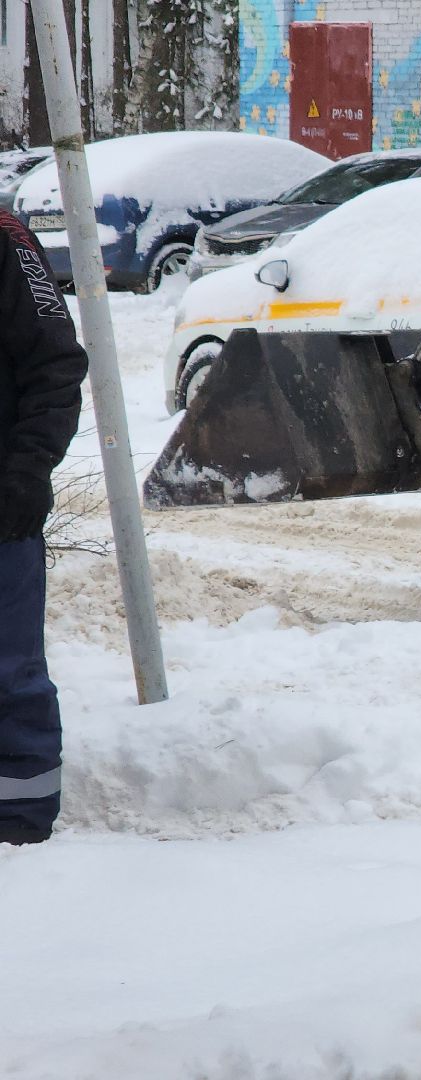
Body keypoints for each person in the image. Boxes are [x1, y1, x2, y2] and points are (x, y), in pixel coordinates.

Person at [0, 208, 86, 847]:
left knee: (7, 673)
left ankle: (20, 833)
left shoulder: (4, 234)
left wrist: (28, 468)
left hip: (1, 508)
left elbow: (56, 364)